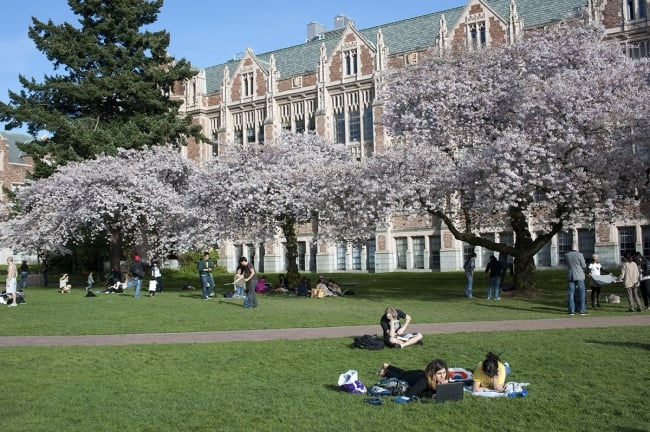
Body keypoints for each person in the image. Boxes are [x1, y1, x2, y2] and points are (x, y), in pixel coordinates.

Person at [377, 359, 449, 398]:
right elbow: (410, 393)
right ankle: (385, 372)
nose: (443, 376)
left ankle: (388, 366)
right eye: (439, 373)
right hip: (411, 377)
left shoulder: (444, 378)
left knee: (402, 372)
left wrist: (443, 387)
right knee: (399, 377)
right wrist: (431, 395)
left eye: (444, 372)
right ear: (433, 374)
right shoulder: (423, 382)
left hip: (418, 374)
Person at [565, 245, 587, 316]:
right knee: (582, 293)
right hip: (579, 275)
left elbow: (567, 264)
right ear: (577, 248)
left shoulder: (566, 255)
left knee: (571, 293)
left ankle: (572, 310)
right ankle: (582, 310)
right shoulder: (579, 254)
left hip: (570, 274)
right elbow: (584, 265)